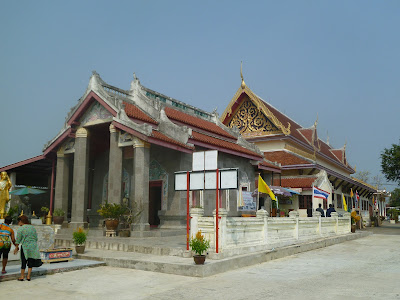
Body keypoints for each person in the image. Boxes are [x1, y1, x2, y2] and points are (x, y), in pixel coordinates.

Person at [13, 215, 42, 281]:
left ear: (21, 221)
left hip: (25, 246)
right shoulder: (32, 227)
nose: (18, 223)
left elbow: (18, 239)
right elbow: (36, 238)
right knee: (30, 261)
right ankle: (28, 276)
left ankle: (22, 276)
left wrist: (16, 247)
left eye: (18, 221)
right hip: (33, 246)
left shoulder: (21, 228)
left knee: (23, 261)